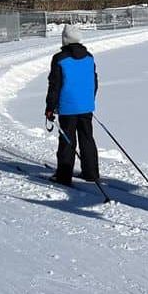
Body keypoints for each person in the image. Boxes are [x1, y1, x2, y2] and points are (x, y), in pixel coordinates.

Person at [45, 25, 99, 186]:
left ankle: (63, 175)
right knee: (87, 138)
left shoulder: (59, 58)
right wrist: (89, 100)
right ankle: (91, 173)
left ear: (65, 39)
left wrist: (50, 107)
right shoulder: (89, 57)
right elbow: (94, 82)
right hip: (86, 105)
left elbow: (55, 85)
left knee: (67, 140)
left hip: (68, 106)